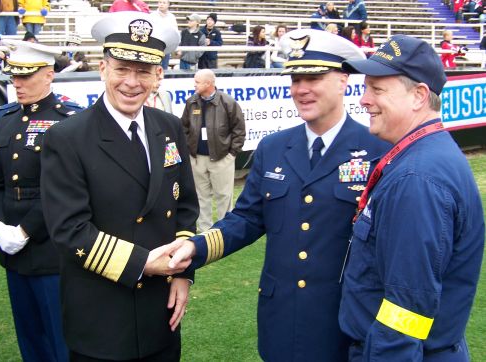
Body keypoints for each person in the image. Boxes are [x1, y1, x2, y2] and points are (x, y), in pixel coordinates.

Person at [168, 29, 389, 361]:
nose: (301, 89)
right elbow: (246, 219)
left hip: (344, 321)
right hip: (281, 317)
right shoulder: (274, 148)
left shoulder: (378, 150)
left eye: (313, 77)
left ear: (344, 82)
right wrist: (194, 247)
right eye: (296, 78)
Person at [40, 11, 198, 361]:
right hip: (101, 320)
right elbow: (69, 229)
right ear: (102, 69)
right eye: (122, 69)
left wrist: (183, 273)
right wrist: (145, 263)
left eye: (143, 71)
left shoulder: (169, 127)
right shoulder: (66, 138)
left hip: (161, 314)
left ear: (158, 75)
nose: (131, 82)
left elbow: (185, 207)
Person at [339, 34, 484, 361]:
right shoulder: (421, 159)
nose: (364, 100)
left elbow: (405, 311)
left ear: (419, 96)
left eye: (377, 89)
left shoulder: (417, 179)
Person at [0, 39, 84, 362]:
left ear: (48, 75)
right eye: (14, 75)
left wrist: (24, 231)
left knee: (60, 340)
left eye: (26, 76)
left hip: (50, 250)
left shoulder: (68, 119)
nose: (17, 83)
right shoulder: (3, 117)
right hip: (12, 251)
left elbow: (62, 188)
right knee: (30, 340)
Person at [181, 69, 245, 232]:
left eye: (197, 82)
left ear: (209, 83)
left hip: (221, 159)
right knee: (201, 197)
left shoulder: (227, 102)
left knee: (224, 197)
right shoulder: (191, 102)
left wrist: (231, 155)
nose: (194, 85)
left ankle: (225, 231)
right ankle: (204, 231)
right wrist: (190, 152)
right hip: (197, 159)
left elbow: (239, 130)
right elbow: (184, 128)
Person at [151, 0, 178, 70]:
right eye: (160, 2)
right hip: (154, 45)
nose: (161, 4)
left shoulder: (172, 17)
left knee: (164, 68)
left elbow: (175, 31)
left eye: (164, 3)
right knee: (153, 67)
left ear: (168, 4)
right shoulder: (152, 15)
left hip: (166, 46)